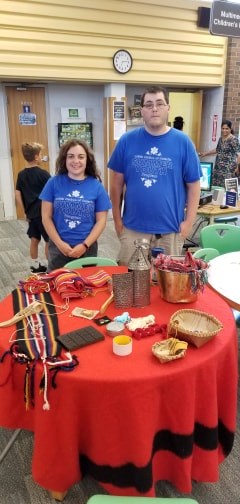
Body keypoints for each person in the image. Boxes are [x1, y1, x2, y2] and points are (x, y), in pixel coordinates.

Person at [108, 85, 201, 265]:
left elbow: (194, 186)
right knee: (131, 286)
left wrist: (188, 223)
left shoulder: (184, 143)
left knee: (167, 288)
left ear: (168, 108)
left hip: (170, 232)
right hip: (133, 230)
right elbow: (116, 185)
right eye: (148, 105)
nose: (154, 109)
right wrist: (118, 222)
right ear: (141, 110)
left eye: (159, 103)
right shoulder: (127, 141)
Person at [40, 139, 112, 271]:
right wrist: (59, 243)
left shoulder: (97, 187)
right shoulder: (53, 183)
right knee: (57, 285)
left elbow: (101, 221)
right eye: (71, 156)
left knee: (85, 288)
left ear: (87, 160)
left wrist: (84, 245)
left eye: (81, 157)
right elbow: (46, 217)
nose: (76, 161)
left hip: (87, 248)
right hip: (58, 248)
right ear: (64, 159)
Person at [15, 142, 50, 273]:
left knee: (34, 239)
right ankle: (49, 266)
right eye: (40, 155)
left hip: (31, 213)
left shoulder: (21, 174)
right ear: (36, 157)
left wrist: (24, 211)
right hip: (43, 214)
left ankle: (35, 266)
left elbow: (17, 193)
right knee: (49, 241)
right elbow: (53, 192)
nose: (41, 157)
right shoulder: (43, 174)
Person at [200, 120, 240, 187]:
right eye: (223, 128)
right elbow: (217, 149)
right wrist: (205, 153)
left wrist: (238, 168)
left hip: (228, 170)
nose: (224, 130)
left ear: (230, 129)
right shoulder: (221, 138)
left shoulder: (234, 140)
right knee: (216, 188)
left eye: (227, 129)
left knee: (228, 189)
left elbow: (239, 154)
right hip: (218, 169)